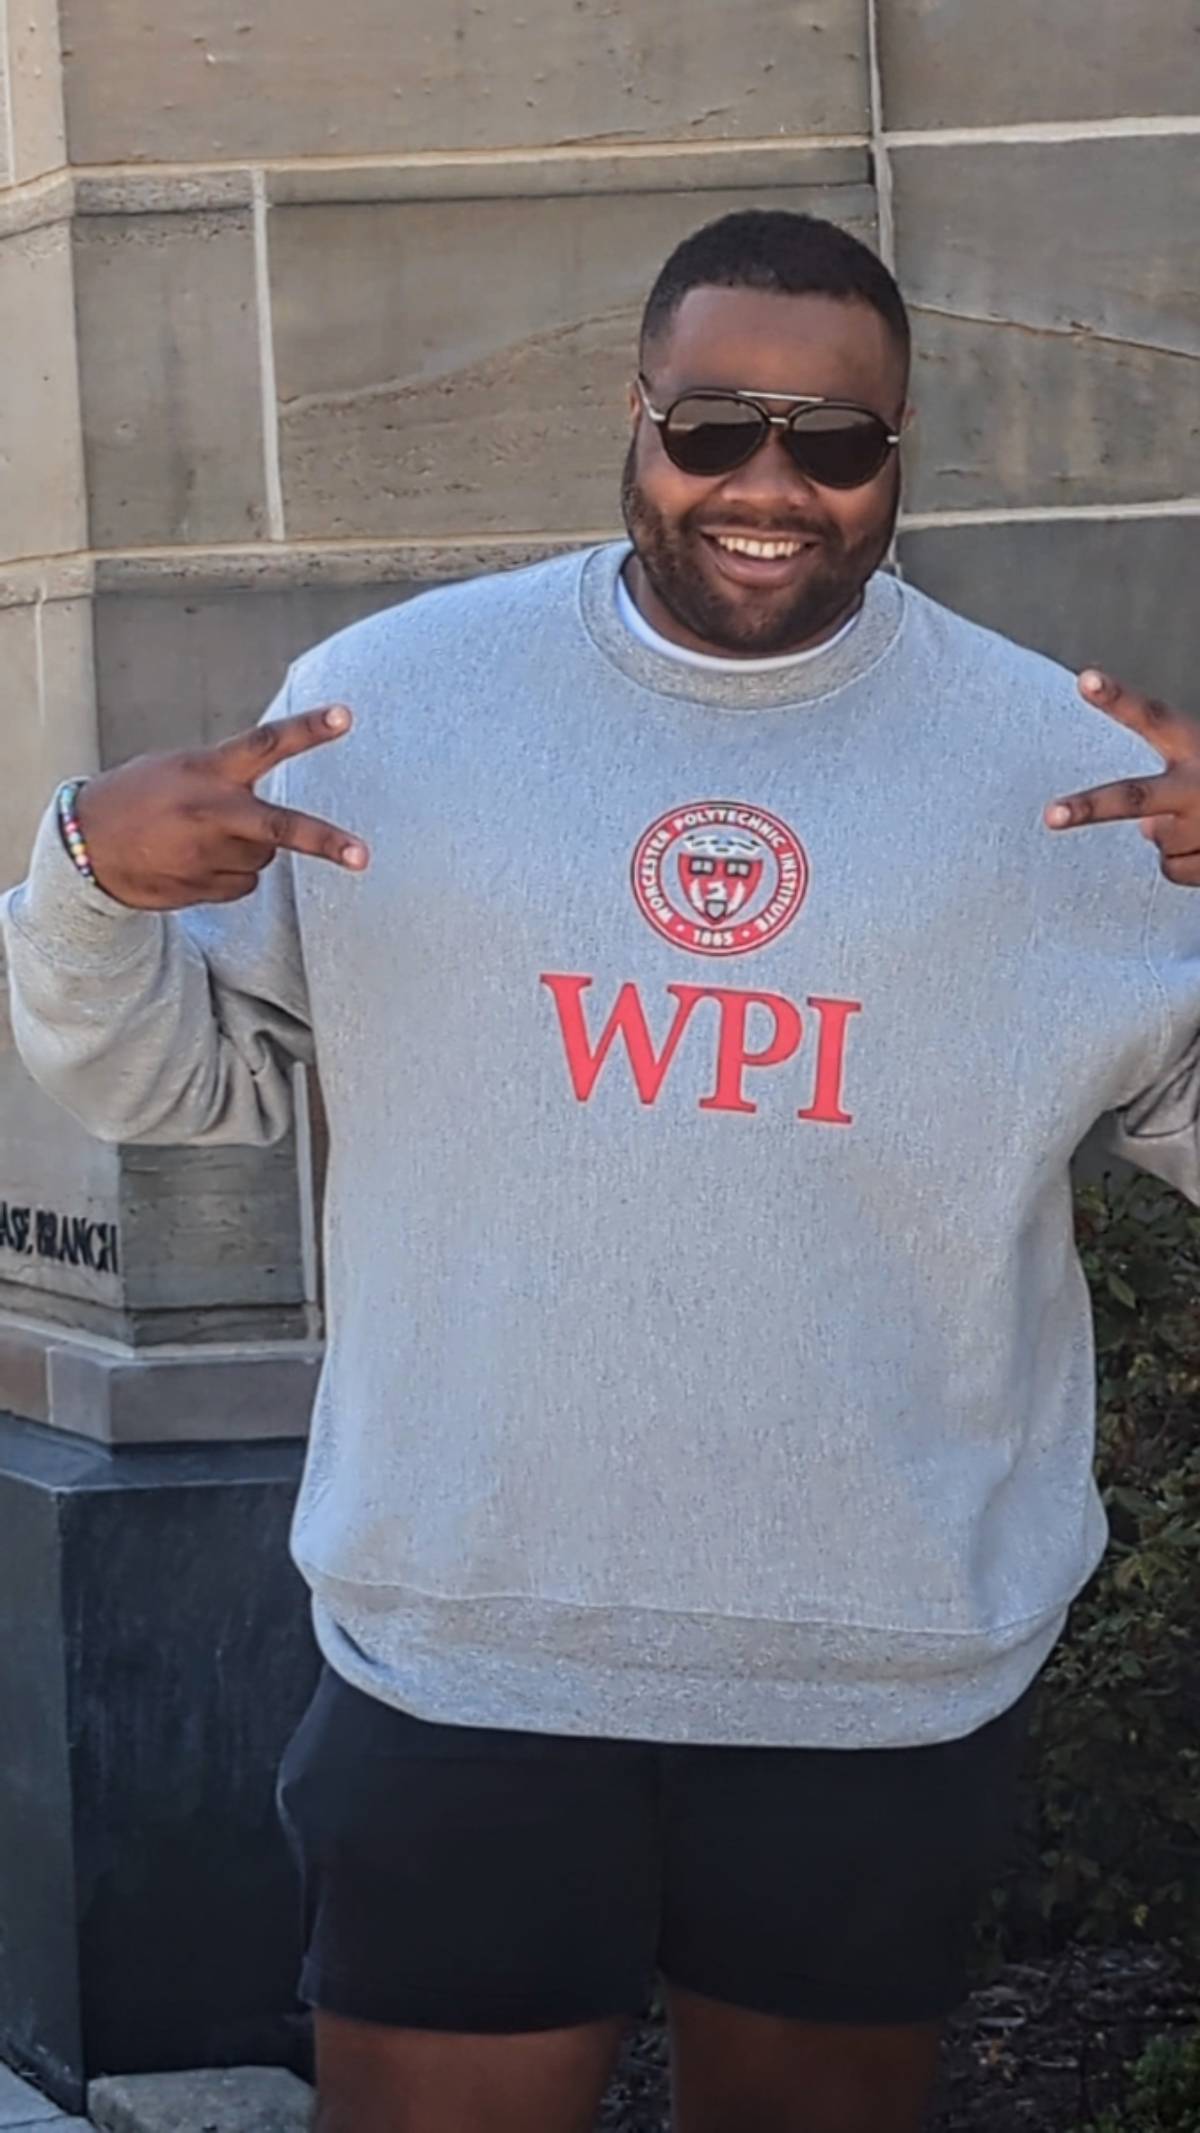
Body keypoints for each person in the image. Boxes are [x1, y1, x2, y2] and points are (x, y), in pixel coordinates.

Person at [5, 208, 1200, 2133]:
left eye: (836, 440)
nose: (770, 486)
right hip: (468, 1640)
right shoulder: (395, 704)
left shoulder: (1054, 768)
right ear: (632, 418)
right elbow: (182, 1084)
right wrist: (86, 885)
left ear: (903, 457)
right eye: (716, 424)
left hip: (876, 1663)